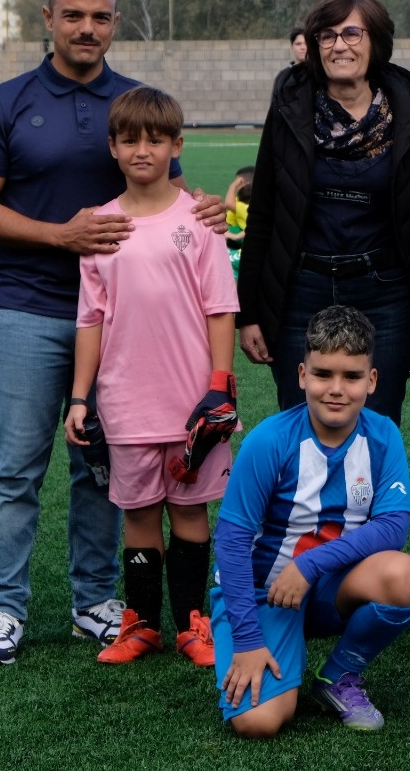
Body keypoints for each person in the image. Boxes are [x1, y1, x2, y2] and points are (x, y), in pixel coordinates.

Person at [0, 0, 225, 666]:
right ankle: (2, 610)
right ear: (49, 17)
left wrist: (204, 207)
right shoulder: (8, 101)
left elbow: (160, 188)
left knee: (103, 471)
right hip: (29, 309)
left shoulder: (128, 102)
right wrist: (59, 236)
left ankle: (95, 601)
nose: (86, 28)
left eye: (100, 18)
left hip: (122, 327)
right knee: (16, 468)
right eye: (72, 15)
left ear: (114, 23)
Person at [62, 86, 239, 666]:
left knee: (189, 510)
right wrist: (80, 398)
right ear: (112, 146)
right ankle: (140, 625)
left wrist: (219, 385)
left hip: (191, 401)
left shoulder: (200, 219)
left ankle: (194, 623)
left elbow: (220, 308)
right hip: (126, 400)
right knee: (138, 514)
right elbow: (91, 318)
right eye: (130, 139)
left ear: (176, 145)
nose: (143, 150)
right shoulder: (100, 227)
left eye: (156, 139)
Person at [212, 306, 410, 738]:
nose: (336, 389)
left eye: (350, 376)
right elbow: (232, 543)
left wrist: (308, 566)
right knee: (258, 722)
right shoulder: (270, 440)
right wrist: (250, 642)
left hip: (326, 584)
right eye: (323, 374)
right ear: (301, 375)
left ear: (372, 380)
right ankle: (264, 643)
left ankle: (338, 678)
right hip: (265, 590)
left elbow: (393, 527)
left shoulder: (382, 435)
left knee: (404, 577)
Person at [236, 0, 410, 424]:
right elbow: (265, 212)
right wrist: (250, 313)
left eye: (352, 33)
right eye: (326, 35)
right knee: (299, 425)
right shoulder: (291, 104)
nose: (338, 45)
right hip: (300, 289)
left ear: (376, 41)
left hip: (385, 292)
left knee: (376, 423)